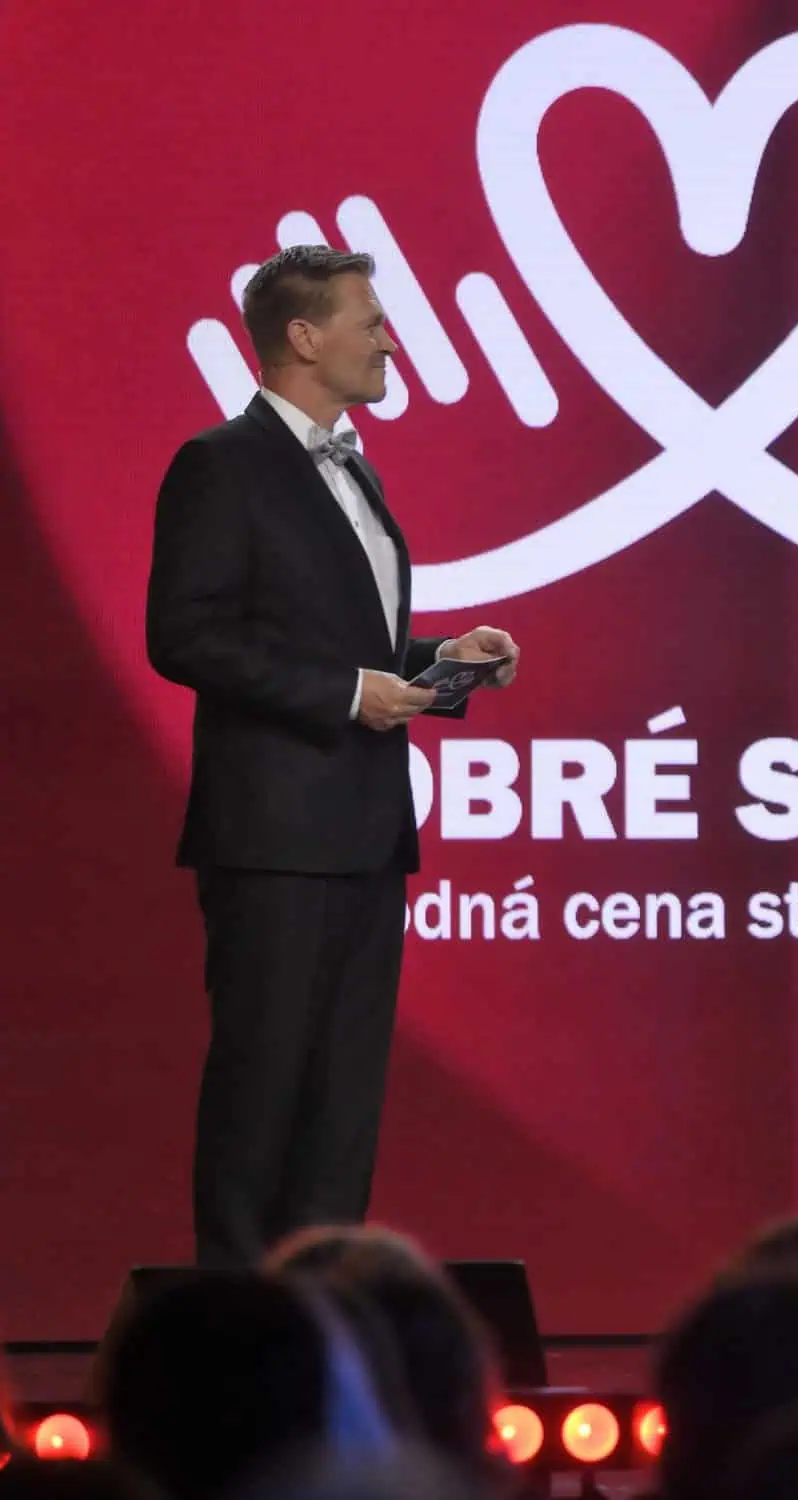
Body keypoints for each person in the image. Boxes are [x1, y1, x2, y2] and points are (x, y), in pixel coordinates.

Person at [145, 245, 521, 1268]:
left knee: (343, 1101)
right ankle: (238, 1317)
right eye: (372, 320)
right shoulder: (223, 464)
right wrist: (350, 693)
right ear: (304, 337)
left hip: (366, 831)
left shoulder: (358, 467)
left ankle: (326, 1303)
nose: (391, 339)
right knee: (263, 1087)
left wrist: (441, 659)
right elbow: (186, 635)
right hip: (273, 836)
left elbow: (342, 642)